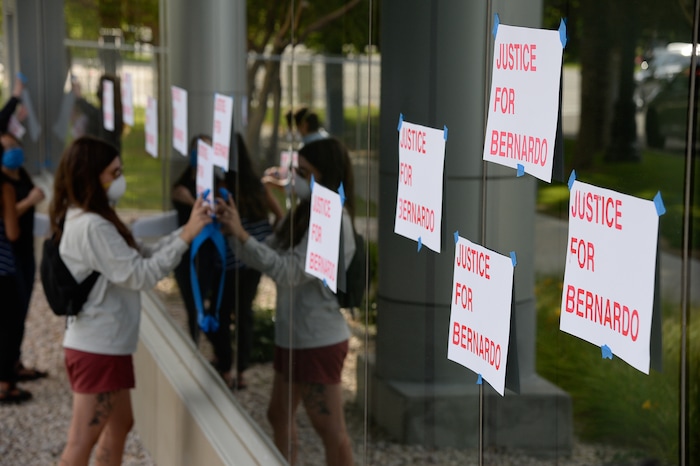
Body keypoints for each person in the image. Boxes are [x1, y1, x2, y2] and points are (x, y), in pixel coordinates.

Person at [50, 136, 211, 465]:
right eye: (115, 172)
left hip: (109, 346)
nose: (120, 179)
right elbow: (140, 275)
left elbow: (137, 256)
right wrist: (186, 236)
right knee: (82, 440)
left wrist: (185, 231)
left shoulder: (94, 217)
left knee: (120, 423)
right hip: (98, 349)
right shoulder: (92, 225)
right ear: (91, 175)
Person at [217, 137, 355, 465]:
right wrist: (232, 231)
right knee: (278, 415)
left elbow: (288, 271)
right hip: (294, 336)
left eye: (304, 172)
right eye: (296, 170)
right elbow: (267, 253)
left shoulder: (330, 218)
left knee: (330, 429)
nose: (295, 179)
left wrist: (243, 235)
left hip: (316, 340)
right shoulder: (304, 213)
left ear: (326, 175)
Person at [172, 133, 281, 389]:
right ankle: (238, 370)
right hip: (253, 260)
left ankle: (226, 367)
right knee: (243, 313)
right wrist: (265, 241)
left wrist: (241, 235)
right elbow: (279, 217)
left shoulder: (224, 187)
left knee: (220, 313)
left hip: (234, 261)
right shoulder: (255, 184)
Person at [1, 131, 47, 382]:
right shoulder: (5, 186)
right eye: (7, 148)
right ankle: (5, 374)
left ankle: (13, 363)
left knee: (19, 311)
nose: (13, 151)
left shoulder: (21, 176)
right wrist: (29, 202)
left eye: (15, 145)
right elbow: (9, 225)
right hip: (9, 257)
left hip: (25, 252)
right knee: (10, 315)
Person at [0, 148, 25, 404]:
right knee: (8, 326)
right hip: (3, 269)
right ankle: (6, 384)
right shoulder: (5, 187)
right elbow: (13, 232)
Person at [72, 74, 124, 152]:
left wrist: (79, 98)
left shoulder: (112, 115)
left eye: (99, 86)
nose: (97, 89)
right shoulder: (112, 111)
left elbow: (95, 114)